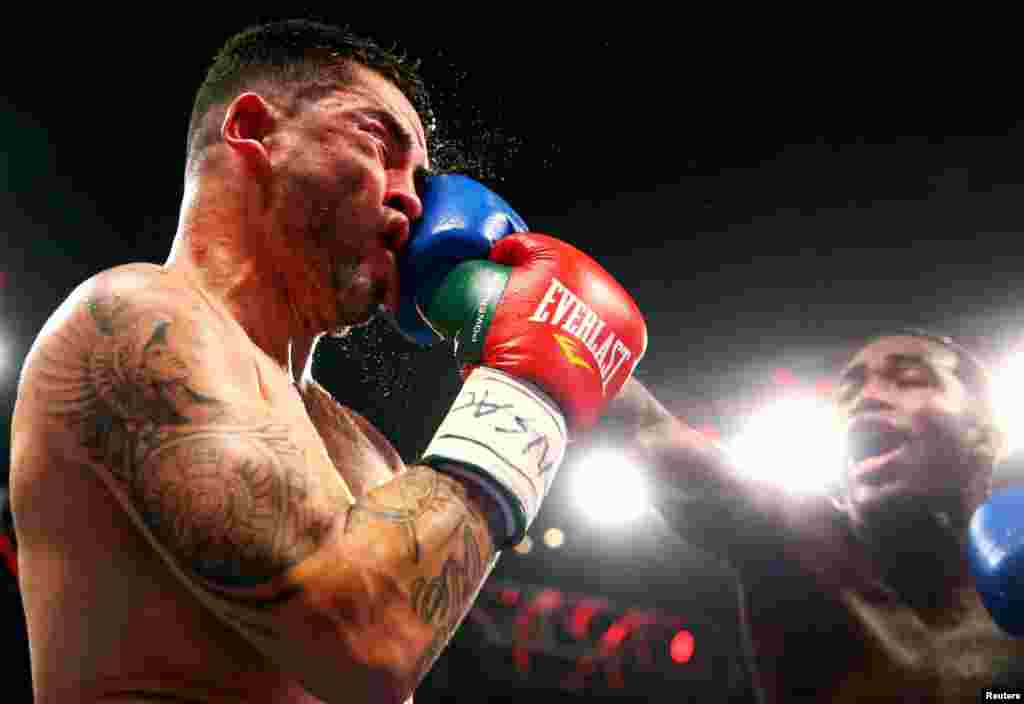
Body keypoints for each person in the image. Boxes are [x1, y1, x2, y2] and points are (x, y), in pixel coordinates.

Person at [7, 19, 645, 704]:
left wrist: (572, 343)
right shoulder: (134, 320)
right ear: (253, 129)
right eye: (378, 142)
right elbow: (368, 637)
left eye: (423, 182)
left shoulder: (367, 449)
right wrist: (529, 385)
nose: (411, 198)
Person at [606, 331, 1024, 702]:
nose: (868, 398)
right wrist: (556, 326)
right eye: (848, 391)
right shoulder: (800, 538)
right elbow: (648, 427)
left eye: (910, 378)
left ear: (984, 434)